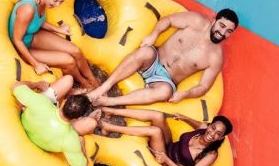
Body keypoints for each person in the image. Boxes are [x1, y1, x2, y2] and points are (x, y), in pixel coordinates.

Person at [86, 8, 238, 107]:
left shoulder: (216, 57)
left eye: (229, 31)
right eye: (222, 26)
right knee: (145, 52)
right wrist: (154, 35)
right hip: (155, 59)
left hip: (166, 80)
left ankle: (110, 102)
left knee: (165, 92)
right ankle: (104, 87)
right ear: (214, 21)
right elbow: (168, 20)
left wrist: (185, 94)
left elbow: (203, 87)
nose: (222, 33)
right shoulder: (195, 20)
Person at [8, 0, 99, 88]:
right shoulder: (28, 8)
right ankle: (84, 83)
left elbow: (36, 21)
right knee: (69, 60)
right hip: (22, 47)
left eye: (61, 1)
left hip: (32, 36)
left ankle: (93, 79)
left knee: (76, 51)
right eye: (55, 0)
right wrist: (36, 64)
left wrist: (59, 30)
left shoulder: (42, 0)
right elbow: (17, 40)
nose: (57, 5)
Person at [99, 107, 231, 166]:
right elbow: (198, 124)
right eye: (213, 127)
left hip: (168, 163)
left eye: (218, 133)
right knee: (158, 116)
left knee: (155, 131)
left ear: (221, 137)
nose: (212, 134)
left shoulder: (211, 154)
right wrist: (185, 118)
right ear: (210, 125)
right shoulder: (204, 129)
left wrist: (166, 160)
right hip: (170, 146)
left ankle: (109, 128)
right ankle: (112, 111)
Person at [11, 75, 101, 166]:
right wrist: (82, 144)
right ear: (78, 118)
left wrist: (36, 85)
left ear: (65, 101)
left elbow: (15, 86)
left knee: (68, 79)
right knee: (92, 123)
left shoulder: (41, 102)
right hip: (50, 141)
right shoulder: (70, 139)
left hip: (32, 123)